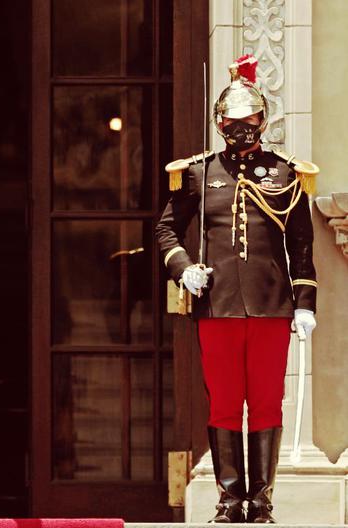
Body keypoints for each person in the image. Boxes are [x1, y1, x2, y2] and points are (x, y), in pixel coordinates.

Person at [156, 55, 318, 523]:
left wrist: (304, 304)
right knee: (225, 402)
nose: (239, 128)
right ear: (219, 123)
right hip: (218, 304)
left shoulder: (287, 174)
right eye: (230, 121)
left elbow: (301, 248)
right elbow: (166, 230)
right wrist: (184, 268)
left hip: (270, 307)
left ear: (262, 121)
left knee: (266, 401)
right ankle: (230, 501)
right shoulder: (196, 173)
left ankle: (261, 502)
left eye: (247, 120)